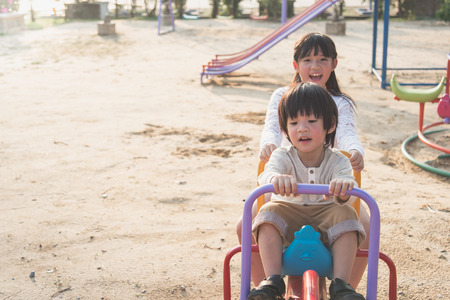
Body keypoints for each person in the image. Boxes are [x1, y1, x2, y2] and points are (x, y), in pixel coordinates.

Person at [236, 32, 369, 289]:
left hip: (326, 185)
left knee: (366, 224)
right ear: (296, 65)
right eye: (307, 60)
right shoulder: (283, 97)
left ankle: (345, 287)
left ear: (334, 64)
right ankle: (266, 285)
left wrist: (354, 151)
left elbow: (347, 132)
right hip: (285, 183)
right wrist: (269, 146)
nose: (315, 66)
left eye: (322, 59)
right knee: (247, 223)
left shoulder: (339, 103)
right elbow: (273, 128)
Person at [247, 82, 366, 300]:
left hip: (326, 215)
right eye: (294, 122)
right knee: (267, 213)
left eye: (311, 121)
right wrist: (276, 179)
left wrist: (343, 187)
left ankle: (341, 285)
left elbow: (349, 182)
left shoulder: (339, 160)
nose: (302, 128)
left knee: (348, 215)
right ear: (285, 130)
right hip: (289, 212)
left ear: (329, 125)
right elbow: (266, 175)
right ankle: (273, 281)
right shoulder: (282, 156)